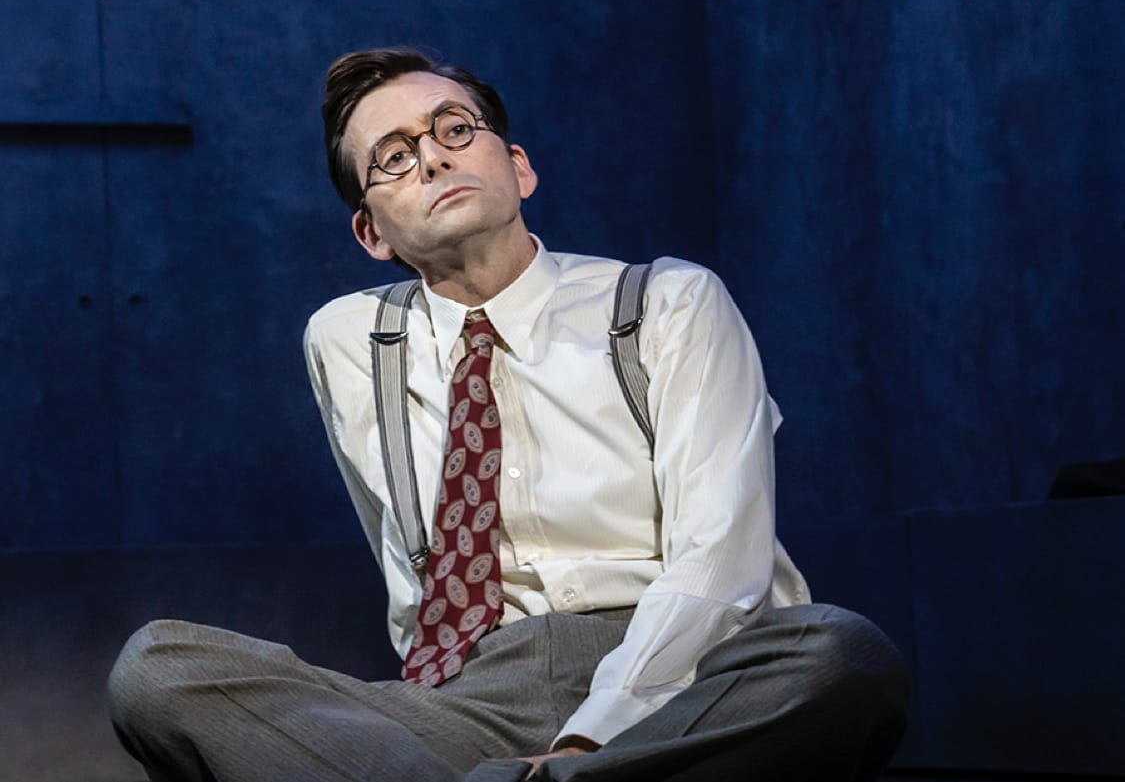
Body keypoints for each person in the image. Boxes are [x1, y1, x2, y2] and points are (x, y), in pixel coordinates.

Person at [108, 47, 908, 781]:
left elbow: (719, 555)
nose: (432, 155)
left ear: (517, 166)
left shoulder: (665, 300)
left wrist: (588, 735)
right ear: (370, 231)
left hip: (683, 684)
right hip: (471, 701)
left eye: (455, 127)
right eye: (392, 156)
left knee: (843, 652)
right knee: (160, 667)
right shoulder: (351, 340)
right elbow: (403, 560)